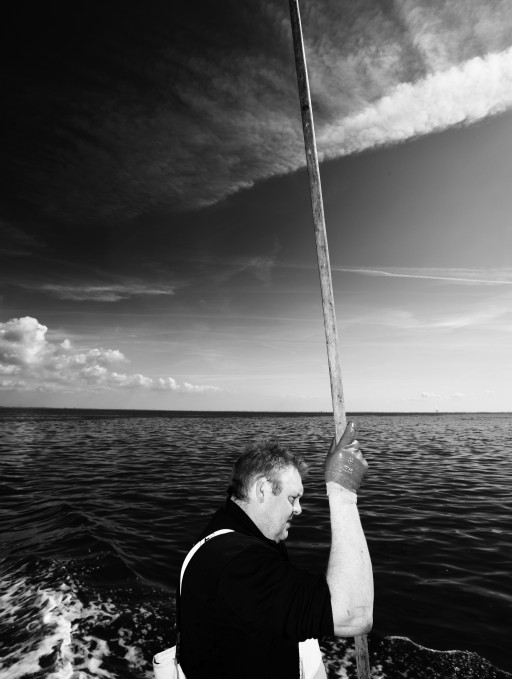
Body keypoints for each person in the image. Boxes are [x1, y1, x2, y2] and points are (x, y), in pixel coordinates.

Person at [179, 421, 373, 679]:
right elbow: (355, 615)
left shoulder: (224, 533)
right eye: (293, 498)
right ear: (262, 489)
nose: (299, 509)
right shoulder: (239, 565)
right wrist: (343, 490)